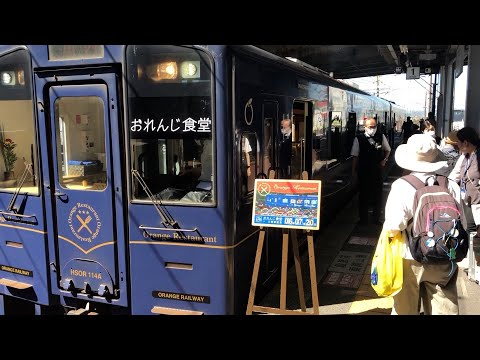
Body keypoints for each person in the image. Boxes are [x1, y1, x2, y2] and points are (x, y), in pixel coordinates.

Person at [383, 134, 460, 315]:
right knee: (444, 309)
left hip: (410, 257)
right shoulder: (451, 185)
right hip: (444, 255)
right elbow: (461, 223)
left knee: (405, 309)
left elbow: (393, 225)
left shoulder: (401, 186)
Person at [351, 117, 391, 224]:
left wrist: (385, 160)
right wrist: (353, 172)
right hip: (363, 171)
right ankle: (363, 219)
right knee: (363, 195)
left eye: (374, 127)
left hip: (377, 171)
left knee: (378, 195)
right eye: (370, 127)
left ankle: (376, 219)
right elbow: (355, 156)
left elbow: (388, 149)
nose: (372, 129)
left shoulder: (381, 136)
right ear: (365, 127)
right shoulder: (358, 138)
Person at [448, 126, 480, 234]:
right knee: (470, 230)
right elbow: (454, 175)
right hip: (467, 200)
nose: (457, 145)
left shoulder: (477, 156)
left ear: (465, 143)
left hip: (478, 202)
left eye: (458, 142)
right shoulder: (464, 156)